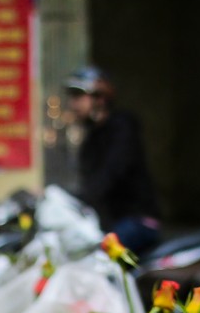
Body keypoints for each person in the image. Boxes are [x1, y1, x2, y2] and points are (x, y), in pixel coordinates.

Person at [66, 66, 161, 255]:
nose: (73, 104)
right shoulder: (91, 139)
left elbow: (108, 176)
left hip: (137, 221)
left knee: (98, 260)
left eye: (78, 97)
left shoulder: (122, 130)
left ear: (99, 99)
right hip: (108, 222)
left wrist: (74, 198)